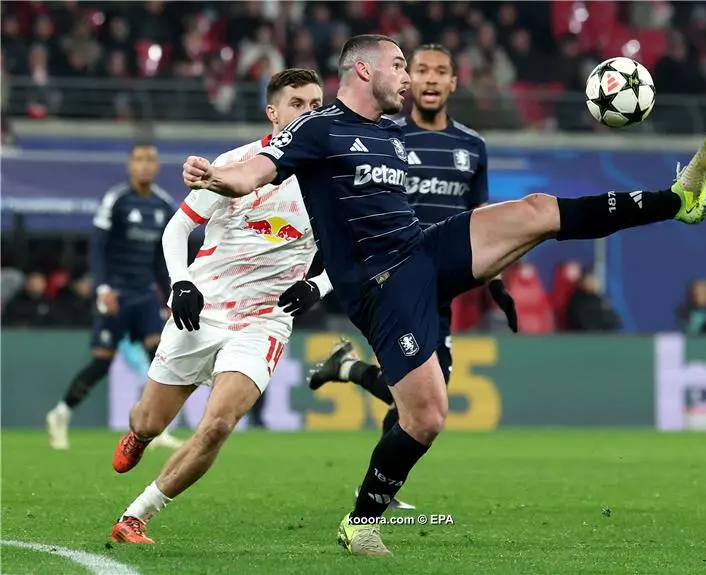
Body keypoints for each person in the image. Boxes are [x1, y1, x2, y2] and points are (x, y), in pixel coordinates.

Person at [182, 35, 706, 556]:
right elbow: (253, 172)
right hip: (381, 285)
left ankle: (677, 200)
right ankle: (362, 521)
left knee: (535, 210)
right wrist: (214, 176)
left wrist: (494, 273)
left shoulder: (393, 134)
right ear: (365, 70)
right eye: (398, 66)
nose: (407, 78)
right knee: (426, 419)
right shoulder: (317, 129)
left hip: (421, 251)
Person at [278, 44, 518, 511]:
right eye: (418, 69)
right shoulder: (384, 130)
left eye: (439, 71)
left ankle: (348, 373)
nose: (427, 79)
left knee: (426, 391)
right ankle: (375, 497)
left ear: (453, 83)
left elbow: (482, 216)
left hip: (447, 271)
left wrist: (497, 281)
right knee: (425, 394)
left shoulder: (472, 146)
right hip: (391, 276)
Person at [110, 69, 327, 544]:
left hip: (265, 321)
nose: (310, 111)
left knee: (219, 425)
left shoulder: (333, 177)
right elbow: (175, 229)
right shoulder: (238, 163)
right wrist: (181, 284)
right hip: (202, 310)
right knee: (148, 420)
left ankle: (137, 515)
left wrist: (319, 286)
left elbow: (356, 252)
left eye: (317, 102)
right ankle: (140, 437)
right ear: (273, 114)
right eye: (298, 103)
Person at [46, 144, 183, 451]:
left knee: (159, 359)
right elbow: (98, 248)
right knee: (101, 363)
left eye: (150, 160)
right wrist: (103, 287)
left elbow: (163, 258)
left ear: (157, 166)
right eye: (139, 160)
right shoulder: (117, 200)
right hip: (116, 294)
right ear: (129, 166)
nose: (145, 165)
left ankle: (154, 427)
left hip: (146, 294)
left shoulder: (163, 205)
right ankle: (60, 414)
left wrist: (171, 295)